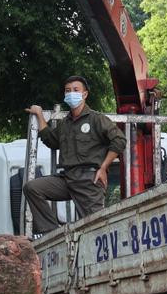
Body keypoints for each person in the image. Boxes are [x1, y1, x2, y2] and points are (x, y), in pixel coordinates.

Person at [23, 75, 126, 235]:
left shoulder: (97, 119)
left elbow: (119, 140)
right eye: (68, 91)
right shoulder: (65, 123)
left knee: (94, 230)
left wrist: (103, 167)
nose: (71, 93)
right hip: (67, 179)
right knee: (32, 188)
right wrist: (40, 115)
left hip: (89, 180)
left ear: (85, 94)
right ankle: (53, 234)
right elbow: (51, 140)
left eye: (76, 90)